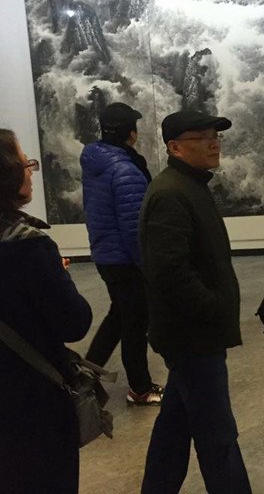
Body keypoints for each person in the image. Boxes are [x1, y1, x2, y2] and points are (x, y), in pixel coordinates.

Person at [139, 111, 252, 494]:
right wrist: (213, 307)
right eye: (202, 137)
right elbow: (169, 272)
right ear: (175, 147)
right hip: (193, 337)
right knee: (219, 436)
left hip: (193, 335)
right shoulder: (172, 194)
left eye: (215, 136)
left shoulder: (189, 185)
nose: (213, 143)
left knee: (174, 429)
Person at [0, 128, 92, 493]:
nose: (31, 173)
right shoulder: (28, 247)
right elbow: (75, 322)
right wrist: (56, 276)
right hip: (29, 403)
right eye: (27, 164)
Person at [80, 102, 163, 405]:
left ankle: (85, 375)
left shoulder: (95, 161)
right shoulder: (126, 169)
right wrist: (146, 265)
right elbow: (133, 228)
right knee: (135, 324)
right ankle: (140, 389)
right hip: (125, 259)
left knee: (119, 316)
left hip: (106, 253)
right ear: (131, 133)